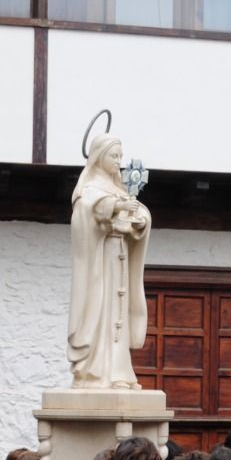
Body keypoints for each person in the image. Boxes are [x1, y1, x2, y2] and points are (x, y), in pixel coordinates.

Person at [69, 132, 151, 389]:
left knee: (119, 319)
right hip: (100, 264)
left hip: (120, 260)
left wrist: (140, 220)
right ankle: (94, 372)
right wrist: (114, 207)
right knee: (101, 313)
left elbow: (137, 214)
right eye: (113, 156)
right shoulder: (90, 187)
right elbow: (87, 209)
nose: (118, 161)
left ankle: (119, 373)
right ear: (100, 157)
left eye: (120, 156)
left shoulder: (120, 187)